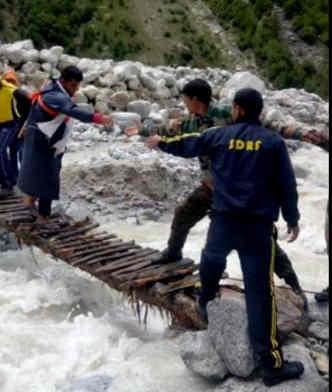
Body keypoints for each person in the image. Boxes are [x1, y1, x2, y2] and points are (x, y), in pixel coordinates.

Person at [148, 88, 304, 387]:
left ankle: (206, 303)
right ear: (258, 111)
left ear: (237, 109)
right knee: (261, 294)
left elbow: (188, 145)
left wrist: (160, 143)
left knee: (211, 260)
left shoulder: (220, 135)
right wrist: (293, 219)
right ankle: (270, 364)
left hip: (223, 220)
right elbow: (287, 184)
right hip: (257, 228)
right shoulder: (273, 142)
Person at [127, 78, 317, 305]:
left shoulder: (230, 114)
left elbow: (268, 126)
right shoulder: (189, 122)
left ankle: (293, 283)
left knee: (265, 244)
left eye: (186, 100)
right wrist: (142, 130)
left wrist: (299, 133)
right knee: (183, 214)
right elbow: (167, 131)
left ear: (195, 100)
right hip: (210, 187)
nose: (184, 104)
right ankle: (173, 254)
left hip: (235, 191)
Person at [18, 66, 113, 223]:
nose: (75, 90)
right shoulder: (57, 96)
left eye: (77, 86)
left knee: (37, 176)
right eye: (73, 86)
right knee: (46, 179)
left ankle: (33, 209)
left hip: (43, 140)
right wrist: (97, 118)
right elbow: (73, 111)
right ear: (64, 81)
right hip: (44, 144)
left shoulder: (51, 88)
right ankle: (42, 215)